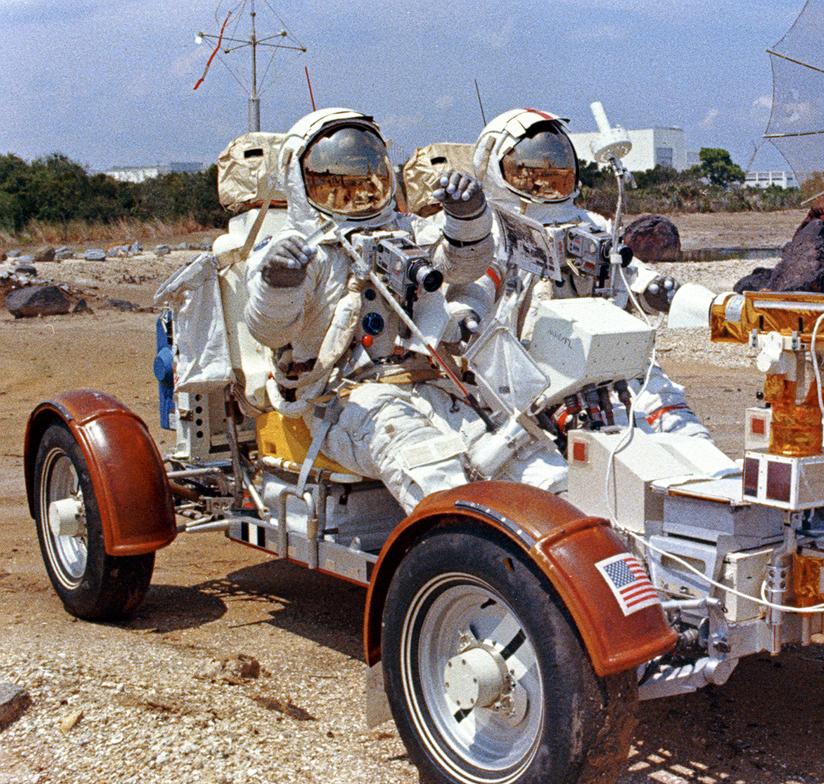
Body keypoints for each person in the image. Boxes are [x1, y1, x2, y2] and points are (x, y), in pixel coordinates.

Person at [245, 108, 566, 510]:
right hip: (344, 398)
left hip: (434, 382)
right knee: (433, 466)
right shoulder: (299, 252)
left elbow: (462, 268)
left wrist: (467, 220)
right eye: (341, 179)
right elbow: (270, 331)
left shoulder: (408, 230)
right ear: (302, 179)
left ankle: (569, 538)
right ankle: (466, 556)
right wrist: (278, 284)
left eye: (367, 174)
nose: (360, 187)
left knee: (524, 452)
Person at [472, 108, 711, 439]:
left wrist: (662, 291)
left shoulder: (591, 223)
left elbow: (630, 273)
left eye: (554, 163)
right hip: (529, 365)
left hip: (605, 354)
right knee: (580, 442)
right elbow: (475, 289)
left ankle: (703, 470)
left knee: (673, 416)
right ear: (496, 168)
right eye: (530, 167)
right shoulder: (493, 231)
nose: (545, 175)